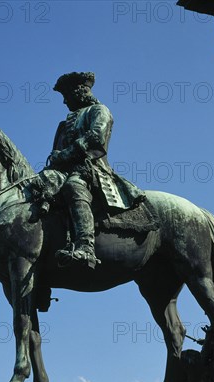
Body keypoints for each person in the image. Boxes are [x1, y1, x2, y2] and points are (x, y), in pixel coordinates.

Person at [47, 72, 145, 268]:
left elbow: (95, 138)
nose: (65, 101)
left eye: (67, 95)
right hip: (62, 171)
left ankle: (85, 246)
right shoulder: (63, 124)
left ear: (80, 92)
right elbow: (56, 152)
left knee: (74, 186)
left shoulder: (99, 111)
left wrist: (65, 155)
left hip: (90, 169)